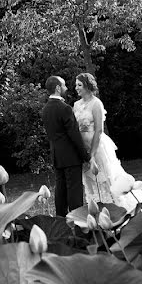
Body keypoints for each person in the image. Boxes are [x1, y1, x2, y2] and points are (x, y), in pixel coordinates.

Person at [73, 73, 135, 210]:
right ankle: (95, 208)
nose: (76, 88)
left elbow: (99, 130)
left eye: (79, 85)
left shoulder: (96, 104)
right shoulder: (76, 105)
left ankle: (115, 208)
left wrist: (93, 155)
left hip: (97, 147)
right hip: (83, 149)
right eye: (76, 85)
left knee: (105, 178)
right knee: (89, 181)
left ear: (88, 86)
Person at [41, 76, 91, 216]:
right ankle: (78, 223)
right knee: (74, 192)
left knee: (60, 191)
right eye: (63, 85)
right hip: (71, 157)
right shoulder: (65, 108)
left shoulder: (45, 109)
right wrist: (86, 156)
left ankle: (61, 222)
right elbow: (74, 136)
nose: (66, 88)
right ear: (58, 88)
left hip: (57, 156)